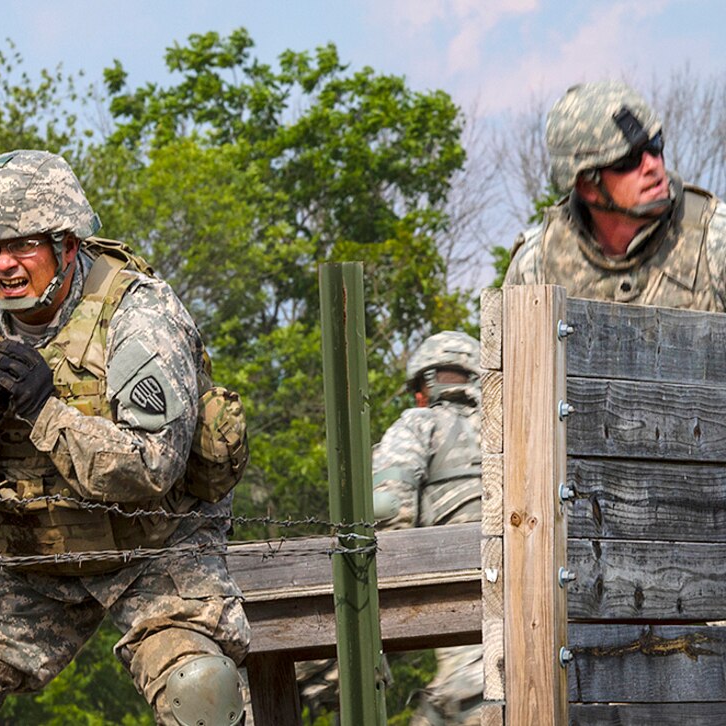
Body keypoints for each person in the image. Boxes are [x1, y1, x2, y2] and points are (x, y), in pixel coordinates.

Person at [0, 149, 251, 725]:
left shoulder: (139, 314)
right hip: (29, 562)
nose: (6, 265)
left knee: (201, 692)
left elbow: (152, 468)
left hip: (154, 552)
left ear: (67, 246)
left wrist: (46, 413)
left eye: (24, 245)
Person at [297, 331, 483, 724]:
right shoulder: (517, 431)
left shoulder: (420, 423)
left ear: (424, 387)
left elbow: (386, 513)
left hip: (467, 649)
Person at [504, 80, 726, 309]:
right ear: (587, 185)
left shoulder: (717, 243)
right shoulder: (535, 268)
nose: (652, 164)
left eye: (655, 143)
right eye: (628, 160)